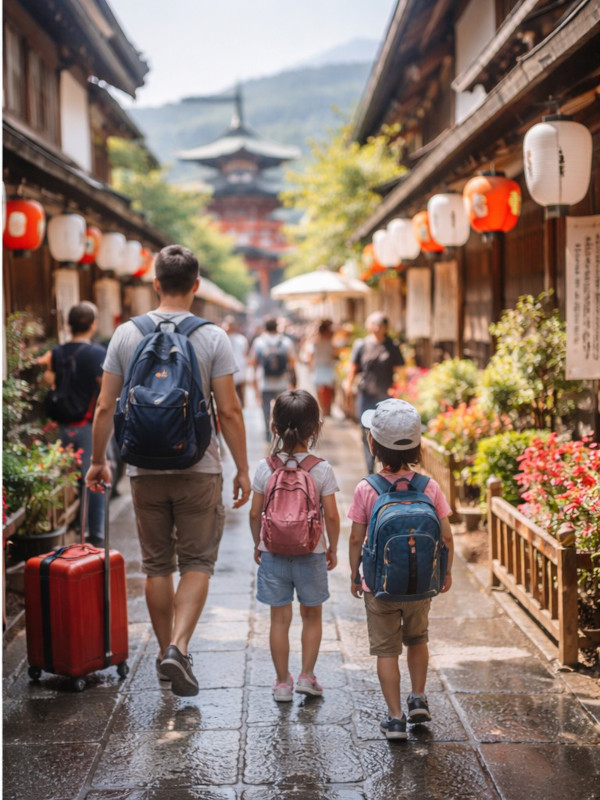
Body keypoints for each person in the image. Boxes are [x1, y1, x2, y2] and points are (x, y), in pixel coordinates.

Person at [85, 244, 251, 697]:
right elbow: (231, 411)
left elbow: (104, 406)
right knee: (197, 561)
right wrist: (242, 468)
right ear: (196, 286)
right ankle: (179, 647)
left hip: (142, 467)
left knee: (158, 565)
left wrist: (100, 461)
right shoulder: (212, 336)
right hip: (200, 464)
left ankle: (166, 654)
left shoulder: (125, 334)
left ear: (155, 283)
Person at [348, 398, 454, 740]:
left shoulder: (367, 489)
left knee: (386, 650)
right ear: (418, 446)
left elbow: (355, 539)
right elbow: (446, 535)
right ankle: (418, 697)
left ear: (373, 445)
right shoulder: (429, 487)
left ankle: (395, 718)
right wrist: (445, 573)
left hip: (379, 586)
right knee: (418, 638)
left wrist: (355, 575)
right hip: (421, 585)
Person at [249, 389, 340, 701]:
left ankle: (282, 683)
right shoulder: (320, 468)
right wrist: (332, 548)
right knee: (312, 616)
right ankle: (306, 676)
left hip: (273, 552)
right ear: (315, 429)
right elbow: (333, 516)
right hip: (311, 553)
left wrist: (258, 544)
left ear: (274, 427)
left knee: (279, 618)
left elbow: (253, 513)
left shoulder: (265, 467)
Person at [38, 302, 106, 546]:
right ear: (93, 324)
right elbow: (106, 387)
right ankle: (93, 534)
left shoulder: (57, 352)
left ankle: (70, 527)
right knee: (94, 478)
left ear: (69, 325)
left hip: (62, 424)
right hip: (87, 425)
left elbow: (52, 375)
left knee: (67, 479)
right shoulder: (97, 354)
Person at [343, 312, 404, 473]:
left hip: (386, 396)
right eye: (373, 324)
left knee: (385, 431)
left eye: (380, 324)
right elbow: (353, 368)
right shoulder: (361, 345)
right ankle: (369, 467)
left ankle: (385, 464)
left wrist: (400, 391)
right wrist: (348, 388)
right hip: (366, 394)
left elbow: (400, 371)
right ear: (369, 326)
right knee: (366, 430)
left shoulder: (392, 346)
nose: (376, 328)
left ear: (385, 327)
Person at [248, 317, 296, 441]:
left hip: (264, 383)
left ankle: (268, 433)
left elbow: (253, 363)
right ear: (276, 327)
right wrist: (293, 381)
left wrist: (254, 384)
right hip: (282, 382)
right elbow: (292, 363)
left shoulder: (259, 342)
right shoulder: (285, 341)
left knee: (265, 409)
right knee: (282, 409)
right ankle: (282, 432)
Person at [305, 319, 337, 416]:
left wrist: (311, 367)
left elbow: (310, 355)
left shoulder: (317, 342)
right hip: (323, 367)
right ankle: (325, 408)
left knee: (324, 389)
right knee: (324, 389)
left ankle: (324, 408)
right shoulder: (323, 342)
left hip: (323, 367)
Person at [222, 315, 249, 407]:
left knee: (240, 394)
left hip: (240, 371)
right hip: (226, 372)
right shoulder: (221, 338)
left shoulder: (241, 339)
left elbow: (245, 354)